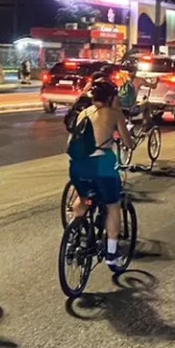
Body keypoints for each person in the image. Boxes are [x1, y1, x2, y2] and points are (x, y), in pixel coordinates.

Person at [68, 79, 130, 266]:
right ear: (111, 98)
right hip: (102, 164)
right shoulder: (114, 114)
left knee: (83, 200)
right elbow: (128, 143)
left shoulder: (83, 113)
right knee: (113, 205)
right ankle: (112, 254)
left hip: (78, 165)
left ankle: (73, 239)